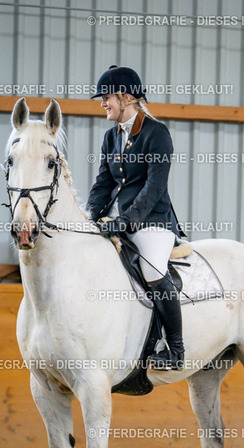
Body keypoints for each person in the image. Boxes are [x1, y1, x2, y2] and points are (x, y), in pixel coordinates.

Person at [87, 65, 184, 371]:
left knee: (153, 270)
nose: (103, 103)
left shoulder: (156, 134)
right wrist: (90, 216)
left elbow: (155, 187)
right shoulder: (111, 137)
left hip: (152, 221)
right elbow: (103, 182)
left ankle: (175, 350)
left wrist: (126, 220)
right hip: (117, 220)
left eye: (107, 97)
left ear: (126, 97)